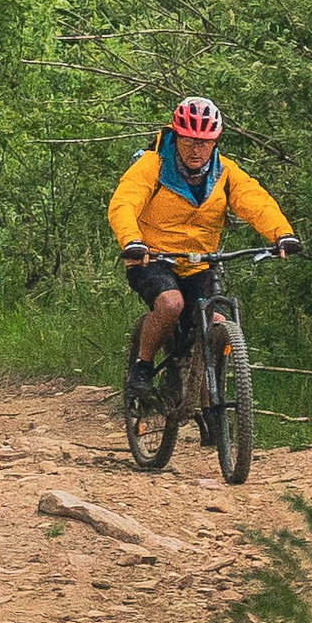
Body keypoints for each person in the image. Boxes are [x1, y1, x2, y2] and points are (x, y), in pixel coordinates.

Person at [108, 97, 300, 401]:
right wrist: (132, 241)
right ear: (176, 135)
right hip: (153, 257)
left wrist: (282, 234)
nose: (197, 150)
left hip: (199, 262)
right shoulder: (151, 166)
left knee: (218, 324)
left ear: (215, 141)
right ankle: (142, 368)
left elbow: (255, 201)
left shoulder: (224, 173)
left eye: (205, 142)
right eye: (189, 141)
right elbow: (124, 203)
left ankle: (213, 403)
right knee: (171, 305)